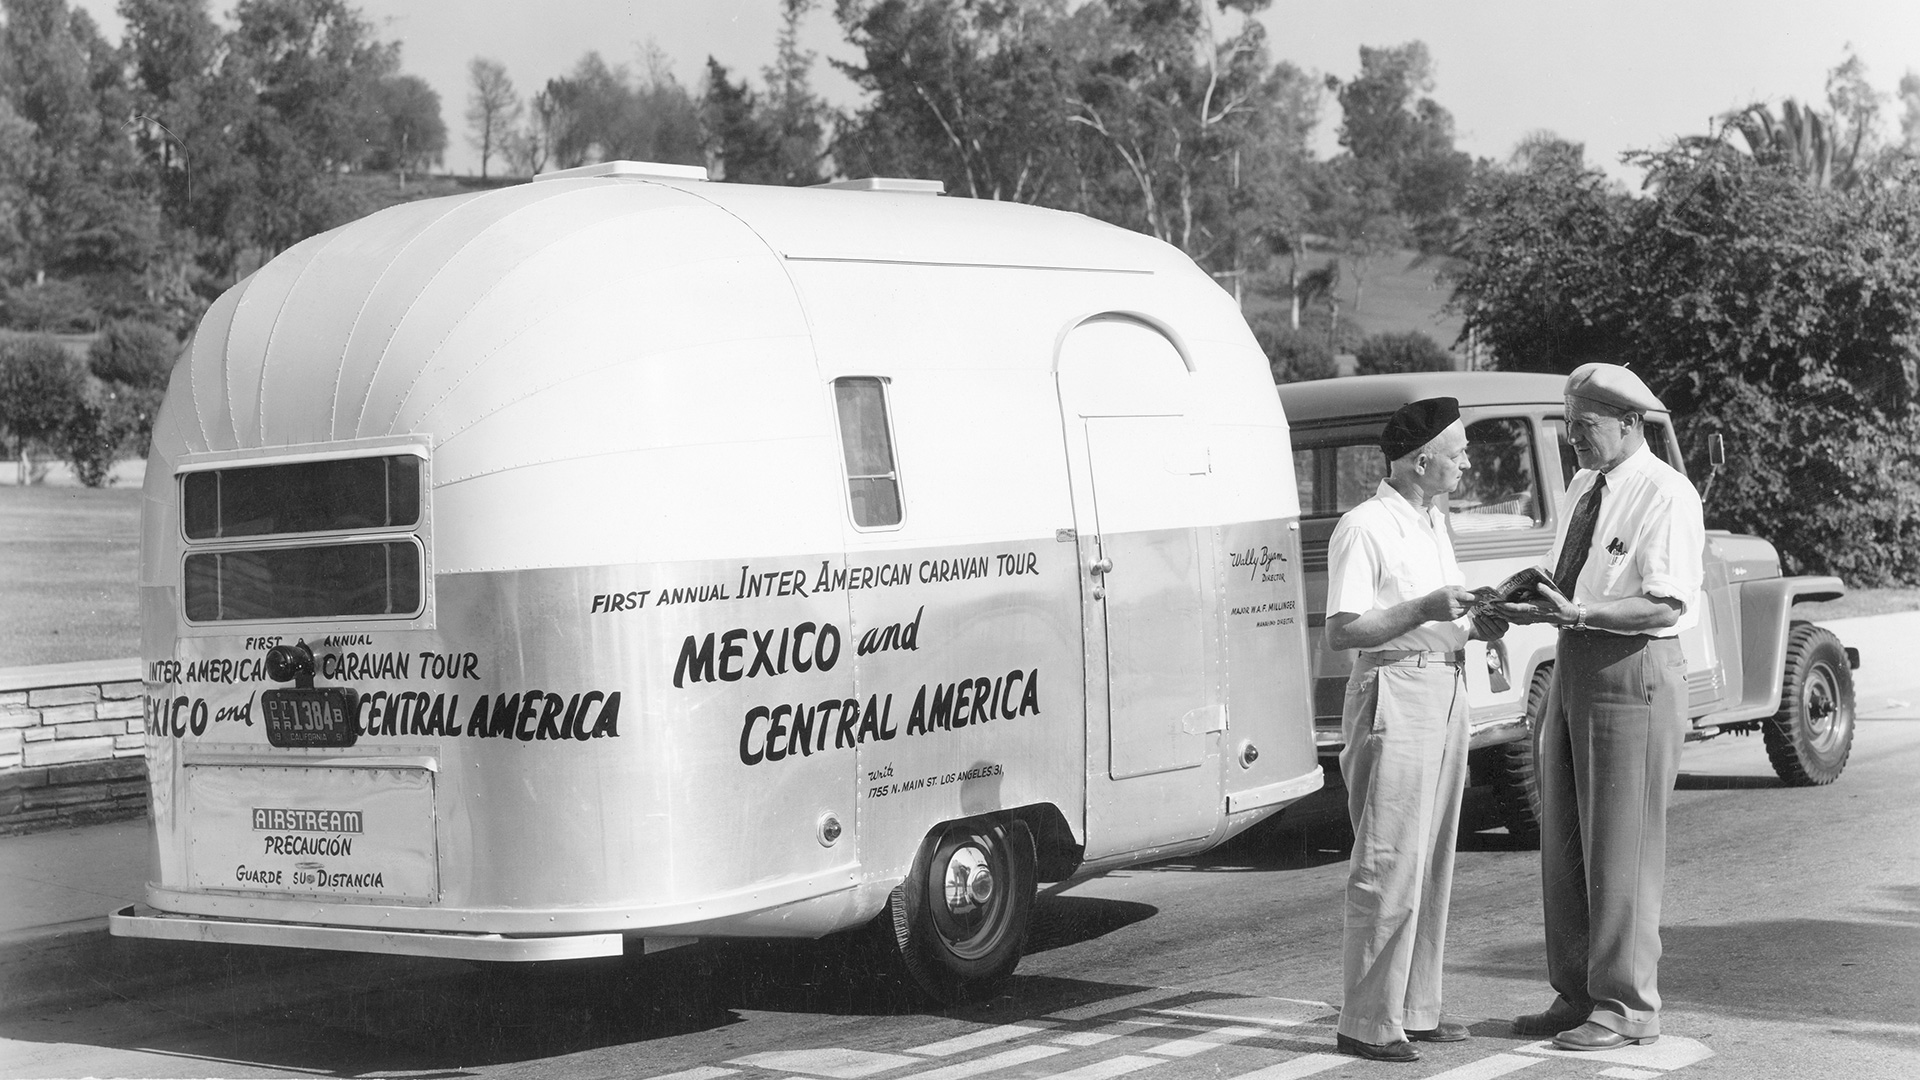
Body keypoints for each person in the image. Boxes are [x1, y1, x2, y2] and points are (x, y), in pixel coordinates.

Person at [1497, 363, 1705, 1051]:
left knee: (1622, 847)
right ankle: (1577, 992)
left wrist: (1580, 610)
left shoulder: (1666, 494)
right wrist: (1536, 602)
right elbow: (1575, 580)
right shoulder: (1587, 485)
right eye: (1570, 426)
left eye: (1583, 428)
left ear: (1627, 423)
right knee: (1565, 842)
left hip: (1632, 670)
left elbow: (1665, 603)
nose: (1573, 441)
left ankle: (1627, 1006)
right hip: (1576, 660)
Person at [1325, 396, 1502, 1064]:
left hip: (1444, 684)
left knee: (1432, 855)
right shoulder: (1365, 527)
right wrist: (1425, 607)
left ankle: (1416, 1008)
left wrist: (1477, 622)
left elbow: (1436, 615)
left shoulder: (1431, 521)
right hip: (1396, 689)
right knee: (1389, 858)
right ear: (1422, 459)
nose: (1466, 460)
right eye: (1457, 451)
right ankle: (1367, 1020)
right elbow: (1344, 631)